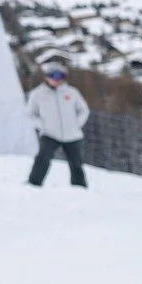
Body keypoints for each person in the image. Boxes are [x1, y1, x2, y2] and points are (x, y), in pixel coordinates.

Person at [24, 56, 89, 188]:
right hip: (49, 134)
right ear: (47, 77)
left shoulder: (72, 92)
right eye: (53, 76)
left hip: (72, 135)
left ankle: (80, 188)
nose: (56, 80)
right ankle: (33, 184)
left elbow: (84, 110)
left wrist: (77, 124)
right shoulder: (38, 94)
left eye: (60, 76)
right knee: (43, 159)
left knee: (76, 163)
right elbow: (30, 114)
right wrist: (42, 126)